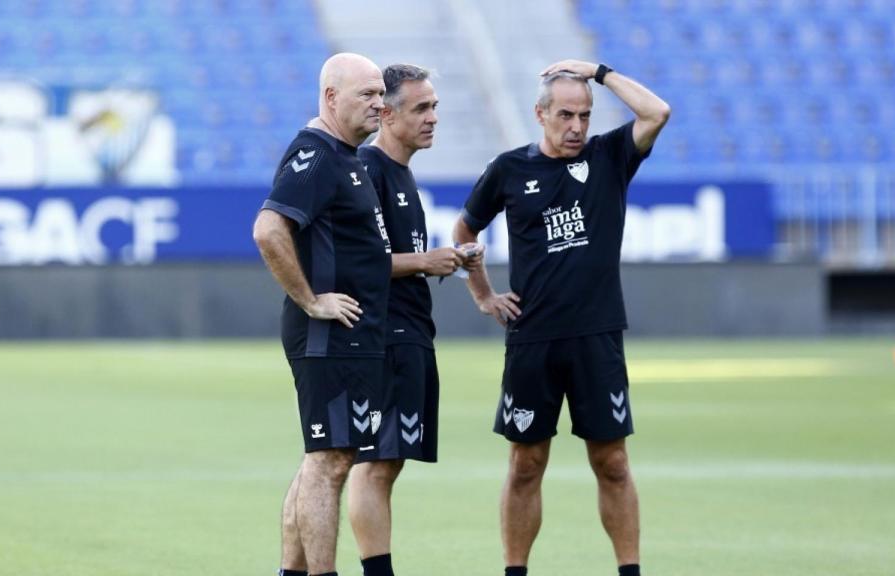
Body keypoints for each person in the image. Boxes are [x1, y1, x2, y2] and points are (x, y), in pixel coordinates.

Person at [453, 59, 670, 576]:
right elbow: (464, 232)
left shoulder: (609, 157)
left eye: (584, 116)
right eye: (566, 115)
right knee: (526, 465)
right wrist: (483, 295)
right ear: (541, 114)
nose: (576, 127)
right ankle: (515, 570)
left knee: (612, 463)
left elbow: (657, 112)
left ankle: (630, 570)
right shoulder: (508, 170)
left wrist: (599, 72)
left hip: (597, 336)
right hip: (533, 340)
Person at [252, 52, 389, 576]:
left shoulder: (347, 156)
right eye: (366, 94)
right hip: (327, 336)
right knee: (330, 461)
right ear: (331, 97)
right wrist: (311, 300)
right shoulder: (316, 154)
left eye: (381, 94)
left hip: (351, 336)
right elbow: (268, 229)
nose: (379, 104)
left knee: (325, 459)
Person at [347, 63, 479, 576]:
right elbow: (357, 263)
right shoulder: (369, 168)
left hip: (410, 331)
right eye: (421, 108)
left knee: (389, 461)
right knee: (374, 463)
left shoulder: (400, 173)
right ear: (386, 114)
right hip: (383, 336)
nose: (433, 118)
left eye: (435, 107)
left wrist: (444, 260)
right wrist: (426, 261)